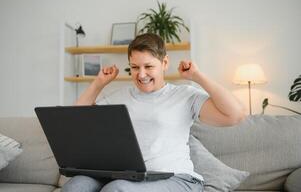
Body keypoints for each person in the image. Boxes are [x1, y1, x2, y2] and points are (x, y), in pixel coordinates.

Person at [62, 33, 247, 192]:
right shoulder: (120, 96)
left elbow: (235, 115)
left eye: (148, 66)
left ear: (164, 62)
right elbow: (76, 121)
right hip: (126, 177)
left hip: (178, 179)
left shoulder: (185, 95)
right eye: (134, 67)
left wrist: (197, 77)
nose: (141, 74)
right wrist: (99, 83)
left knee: (117, 189)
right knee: (75, 186)